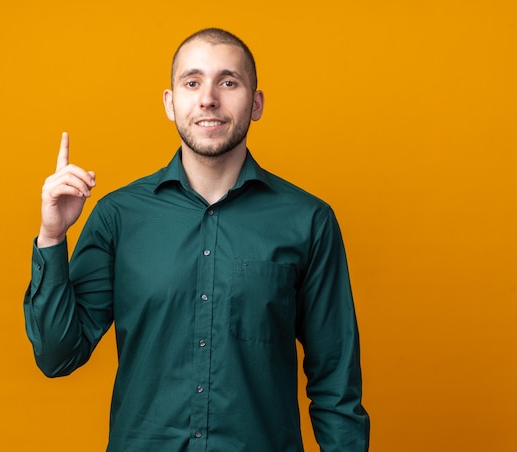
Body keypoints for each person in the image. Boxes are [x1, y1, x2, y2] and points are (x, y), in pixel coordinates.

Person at [24, 27, 370, 451]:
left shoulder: (308, 220)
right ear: (171, 103)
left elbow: (336, 381)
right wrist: (53, 236)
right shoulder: (118, 216)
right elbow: (57, 355)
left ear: (256, 103)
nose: (208, 98)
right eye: (192, 82)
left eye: (228, 81)